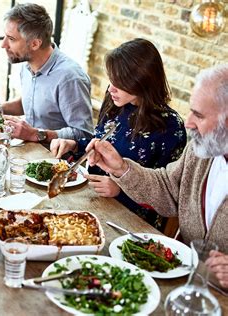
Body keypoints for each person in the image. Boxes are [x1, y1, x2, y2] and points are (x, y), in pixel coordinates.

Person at [85, 64, 227, 288]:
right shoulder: (202, 151)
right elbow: (169, 189)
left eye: (198, 115)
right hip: (183, 281)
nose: (188, 122)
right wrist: (121, 168)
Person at [50, 38, 187, 230]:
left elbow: (168, 196)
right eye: (111, 79)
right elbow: (102, 141)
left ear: (142, 80)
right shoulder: (116, 102)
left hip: (129, 223)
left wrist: (120, 190)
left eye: (120, 82)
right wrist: (74, 145)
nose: (111, 88)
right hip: (89, 201)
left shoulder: (171, 127)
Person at [0, 3, 93, 143]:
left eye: (11, 39)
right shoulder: (28, 65)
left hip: (58, 160)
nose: (3, 44)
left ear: (35, 44)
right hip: (29, 151)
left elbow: (84, 134)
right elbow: (29, 104)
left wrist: (35, 134)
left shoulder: (70, 77)